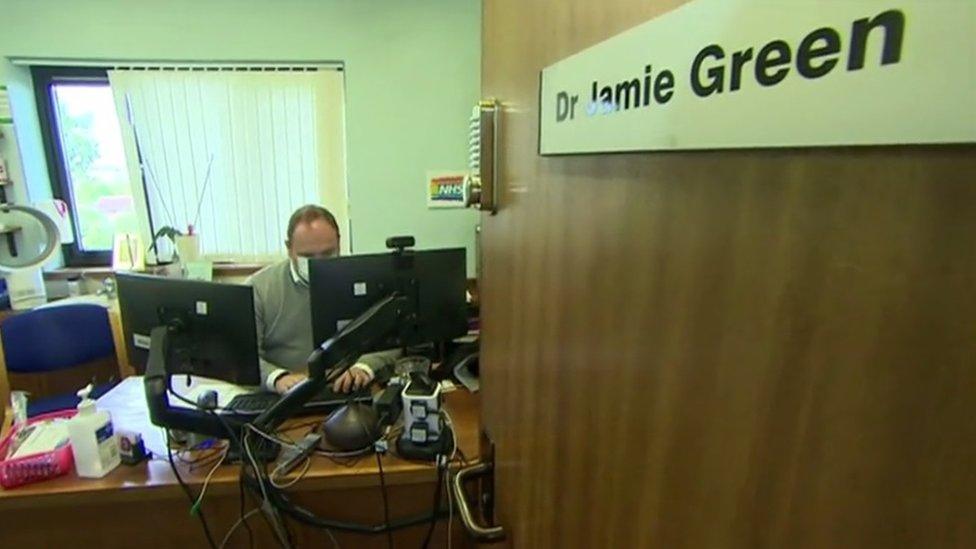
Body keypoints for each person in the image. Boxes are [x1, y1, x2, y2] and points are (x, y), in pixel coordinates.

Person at [248, 204, 398, 394]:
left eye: (327, 253)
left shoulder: (364, 279)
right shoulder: (259, 288)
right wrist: (277, 377)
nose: (318, 263)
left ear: (339, 243)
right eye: (307, 256)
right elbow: (244, 358)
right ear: (289, 248)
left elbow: (392, 338)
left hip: (348, 392)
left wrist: (364, 367)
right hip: (285, 398)